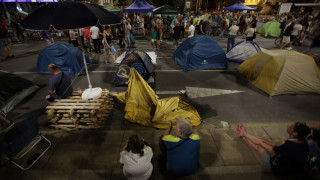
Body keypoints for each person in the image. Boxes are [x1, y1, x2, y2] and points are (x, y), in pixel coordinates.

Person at [238, 122, 310, 174]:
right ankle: (244, 134)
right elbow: (280, 148)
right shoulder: (304, 142)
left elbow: (272, 153)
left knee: (259, 147)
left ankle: (243, 134)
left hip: (279, 168)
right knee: (263, 143)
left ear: (295, 133)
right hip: (293, 168)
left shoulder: (285, 143)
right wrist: (268, 143)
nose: (288, 126)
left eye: (290, 127)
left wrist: (264, 144)